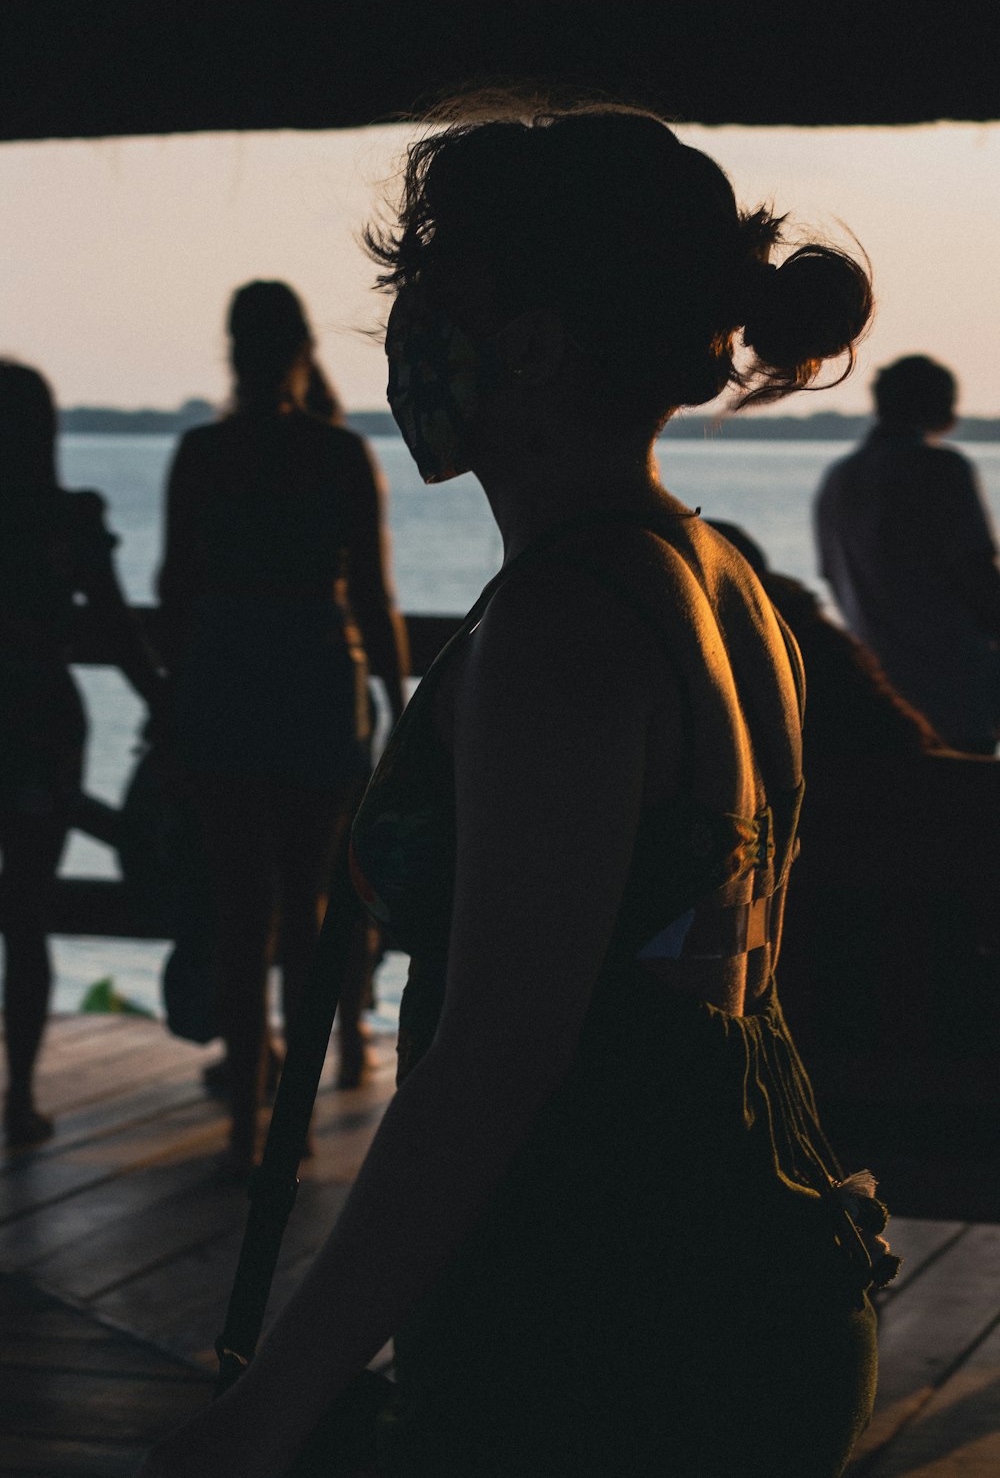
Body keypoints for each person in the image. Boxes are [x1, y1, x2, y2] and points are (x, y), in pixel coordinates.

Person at [140, 102, 892, 1478]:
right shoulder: (720, 580)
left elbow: (496, 1062)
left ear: (534, 343)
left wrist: (264, 1414)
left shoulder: (562, 628)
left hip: (606, 1337)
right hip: (762, 1275)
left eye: (433, 285)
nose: (405, 321)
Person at [157, 282, 408, 1175]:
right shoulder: (339, 456)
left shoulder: (203, 453)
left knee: (240, 909)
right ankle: (293, 1120)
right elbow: (373, 597)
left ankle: (241, 1131)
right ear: (305, 347)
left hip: (223, 671)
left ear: (234, 350)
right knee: (306, 909)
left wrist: (165, 704)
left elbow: (174, 592)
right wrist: (398, 701)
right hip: (313, 669)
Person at [0, 361, 164, 1147]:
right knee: (26, 915)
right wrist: (164, 704)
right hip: (41, 722)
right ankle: (19, 1096)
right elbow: (119, 627)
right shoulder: (68, 517)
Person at [815, 353, 1000, 754]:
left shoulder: (839, 478)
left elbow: (832, 575)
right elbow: (977, 577)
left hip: (879, 694)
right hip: (956, 692)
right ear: (939, 406)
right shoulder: (940, 468)